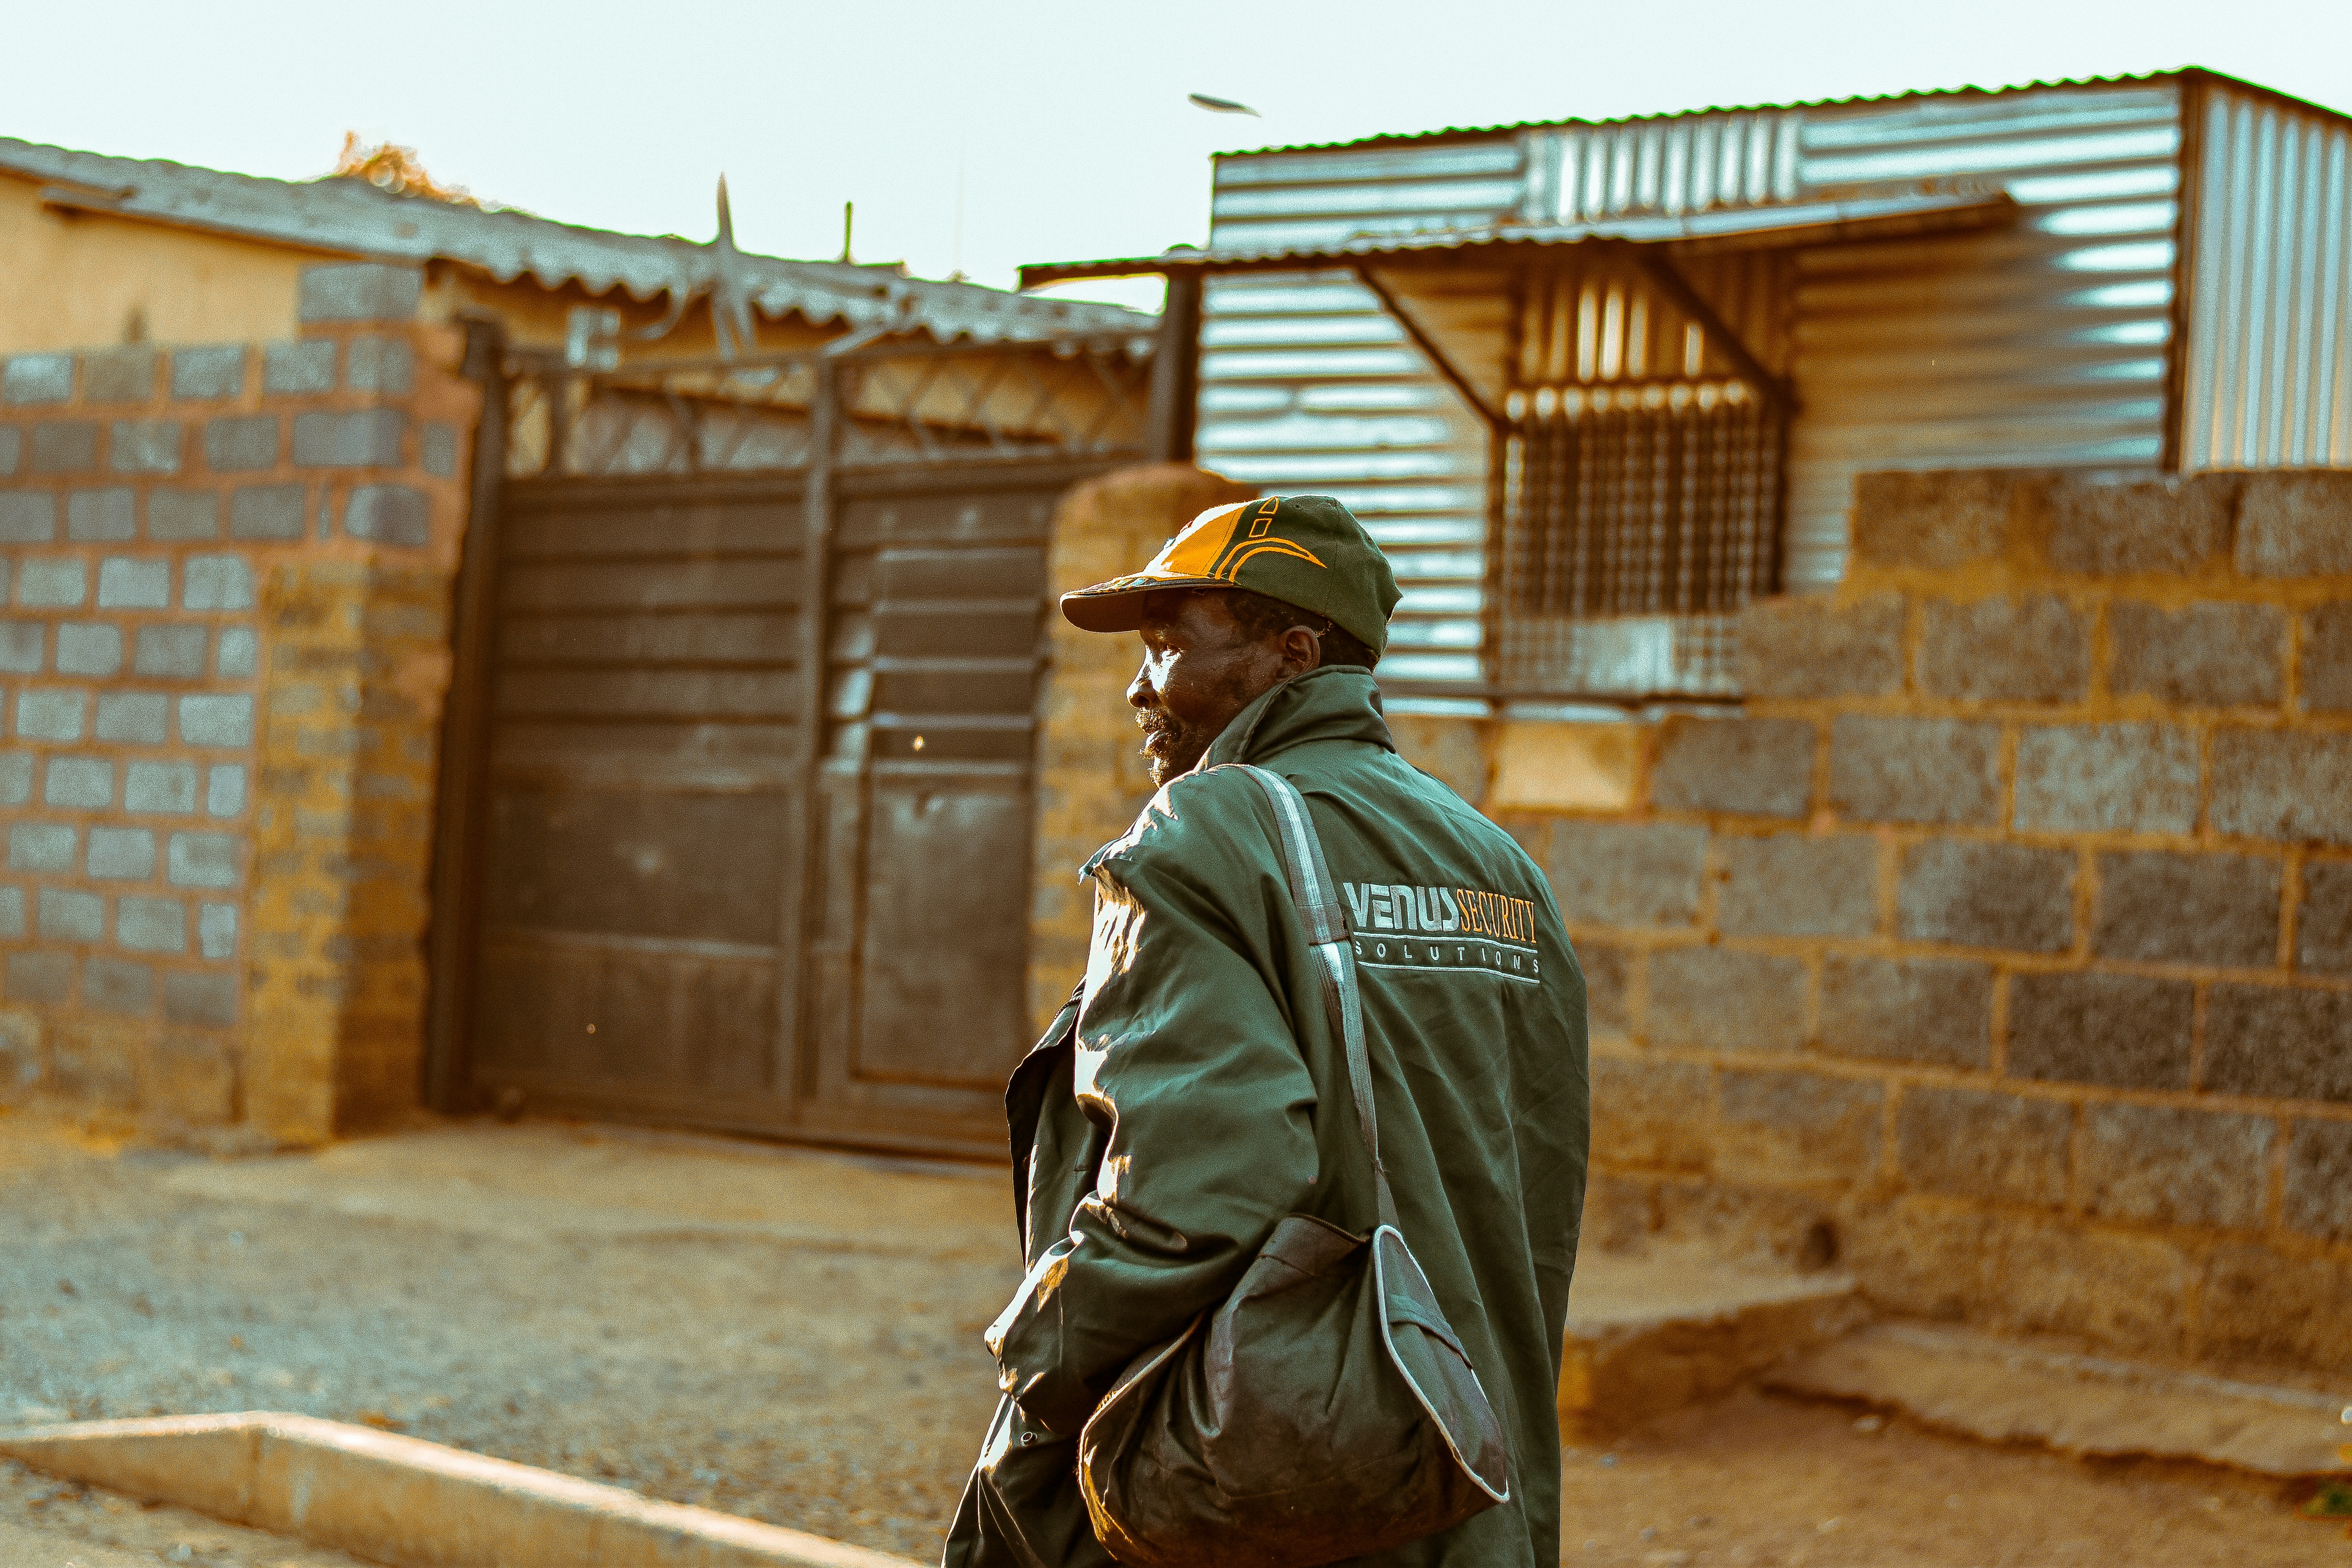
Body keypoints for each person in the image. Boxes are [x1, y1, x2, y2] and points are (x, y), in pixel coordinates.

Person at [944, 493, 1589, 1568]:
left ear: (1293, 654)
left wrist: (1037, 1352)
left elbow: (1196, 1190)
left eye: (1168, 646)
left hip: (1277, 1483)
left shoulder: (1206, 830)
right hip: (1465, 1479)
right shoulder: (1503, 872)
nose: (1139, 687)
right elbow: (1539, 1200)